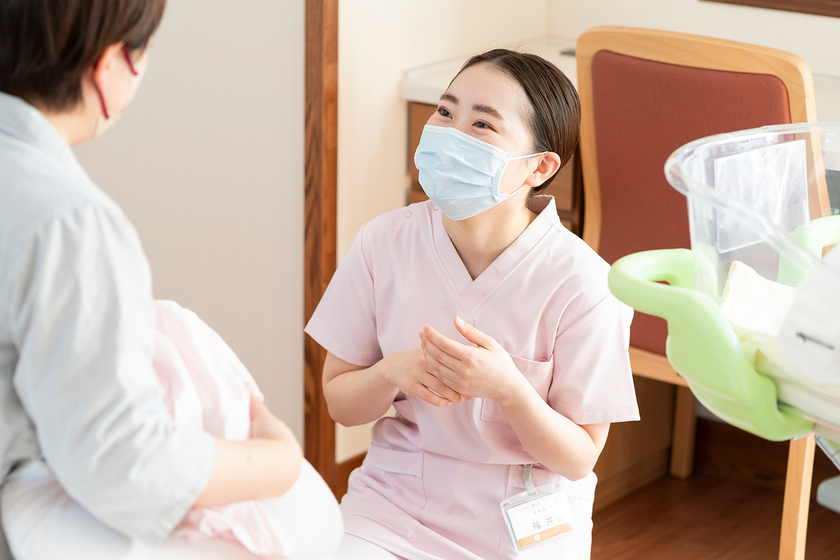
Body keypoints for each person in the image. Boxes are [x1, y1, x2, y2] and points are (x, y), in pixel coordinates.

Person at [0, 1, 338, 558]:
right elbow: (124, 464)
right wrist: (279, 461)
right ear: (109, 64)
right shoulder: (69, 222)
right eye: (146, 50)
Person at [305, 49, 640, 560]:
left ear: (539, 166)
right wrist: (391, 373)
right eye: (445, 111)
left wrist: (510, 390)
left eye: (482, 123)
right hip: (396, 503)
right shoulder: (383, 243)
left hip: (523, 512)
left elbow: (578, 459)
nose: (451, 134)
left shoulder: (585, 284)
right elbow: (339, 404)